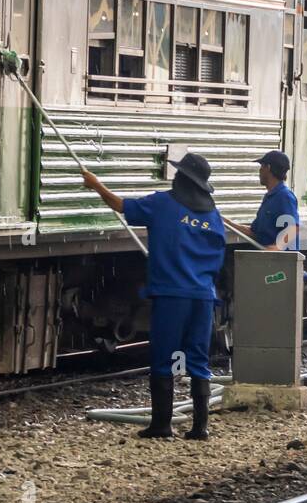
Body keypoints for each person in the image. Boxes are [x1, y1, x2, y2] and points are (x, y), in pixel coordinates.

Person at [83, 153, 226, 440]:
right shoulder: (213, 216)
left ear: (182, 178)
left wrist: (96, 185)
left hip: (172, 296)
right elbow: (218, 257)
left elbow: (122, 206)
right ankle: (200, 428)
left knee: (164, 358)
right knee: (198, 360)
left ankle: (162, 425)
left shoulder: (163, 203)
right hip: (203, 297)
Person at [249, 150, 300, 250]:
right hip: (268, 261)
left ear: (268, 168)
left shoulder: (284, 196)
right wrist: (228, 223)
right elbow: (253, 232)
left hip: (282, 262)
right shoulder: (269, 197)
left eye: (262, 166)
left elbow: (293, 228)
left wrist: (277, 247)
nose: (259, 171)